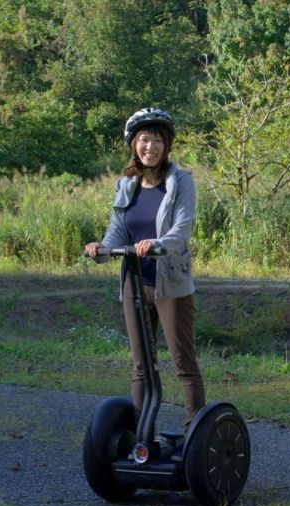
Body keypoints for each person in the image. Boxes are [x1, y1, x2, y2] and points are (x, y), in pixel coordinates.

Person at [85, 107, 204, 429]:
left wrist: (156, 244)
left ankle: (195, 433)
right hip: (134, 283)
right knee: (141, 365)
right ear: (133, 144)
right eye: (142, 140)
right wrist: (101, 248)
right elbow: (117, 229)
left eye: (156, 140)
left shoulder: (180, 182)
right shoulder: (127, 185)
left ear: (166, 145)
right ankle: (141, 435)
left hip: (170, 283)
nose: (149, 147)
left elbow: (181, 231)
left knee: (183, 363)